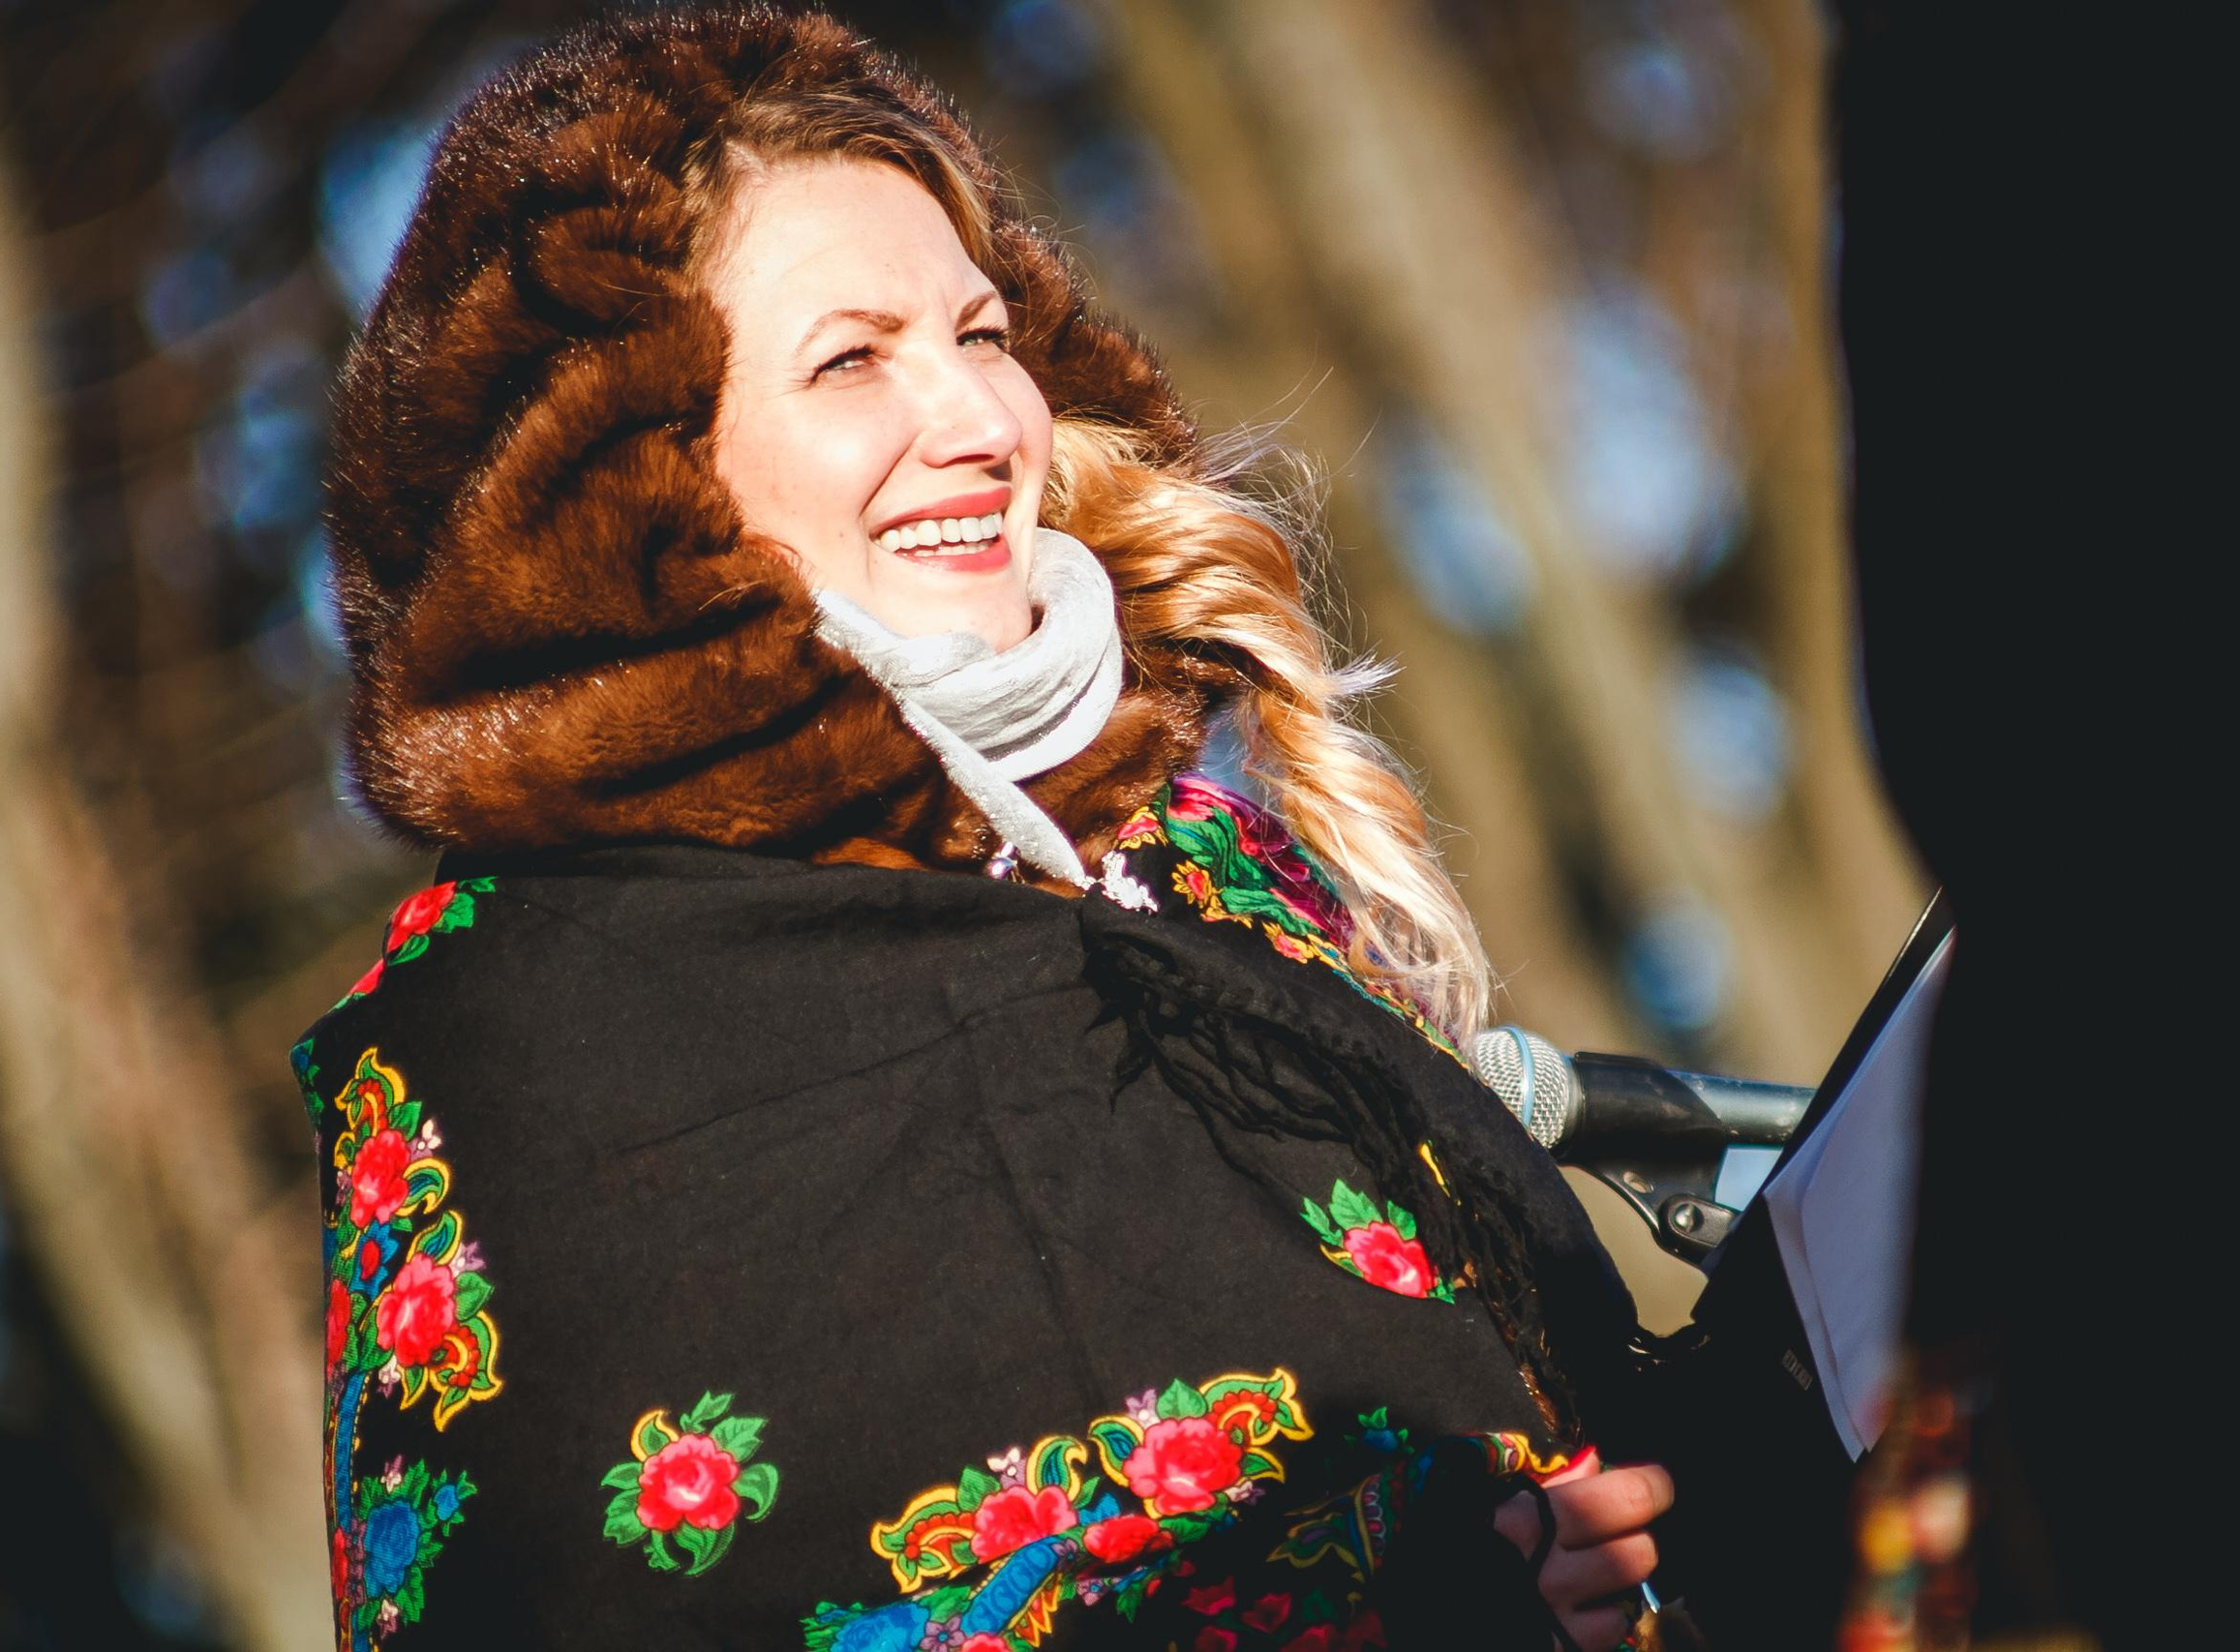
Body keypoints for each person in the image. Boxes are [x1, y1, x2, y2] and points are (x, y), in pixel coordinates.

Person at [299, 7, 1671, 1648]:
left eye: (983, 331)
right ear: (634, 478)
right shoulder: (532, 1042)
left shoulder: (1199, 866)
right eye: (852, 358)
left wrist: (1553, 1560)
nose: (980, 423)